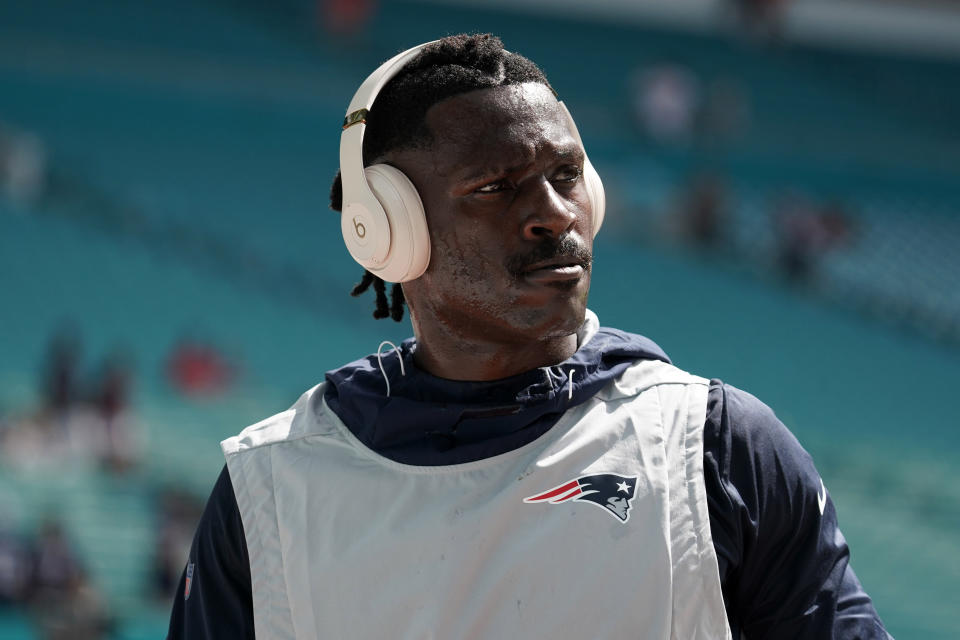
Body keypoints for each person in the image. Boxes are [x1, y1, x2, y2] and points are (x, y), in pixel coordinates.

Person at [167, 34, 890, 639]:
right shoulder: (270, 491)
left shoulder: (719, 449)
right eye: (495, 186)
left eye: (566, 174)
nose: (554, 214)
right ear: (386, 229)